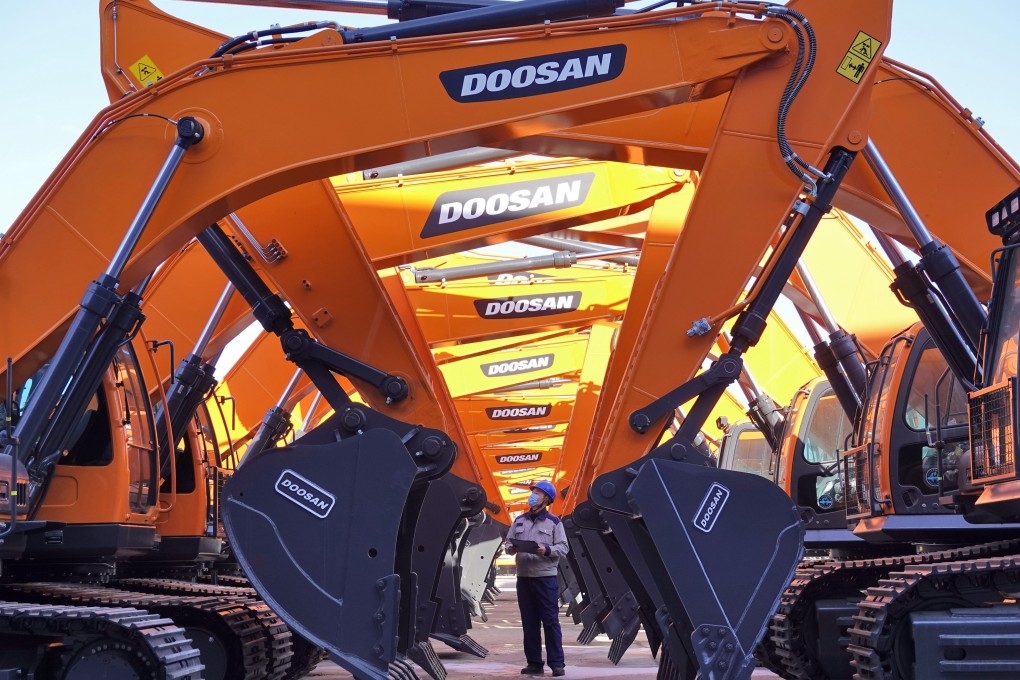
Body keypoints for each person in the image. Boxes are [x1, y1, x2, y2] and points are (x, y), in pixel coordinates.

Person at [504, 480, 569, 676]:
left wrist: (547, 549)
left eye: (538, 492)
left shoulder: (554, 522)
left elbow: (564, 548)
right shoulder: (519, 521)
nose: (533, 495)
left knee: (550, 621)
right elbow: (508, 543)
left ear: (546, 499)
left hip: (545, 579)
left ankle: (557, 664)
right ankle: (534, 663)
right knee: (529, 622)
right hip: (524, 579)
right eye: (534, 492)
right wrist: (511, 548)